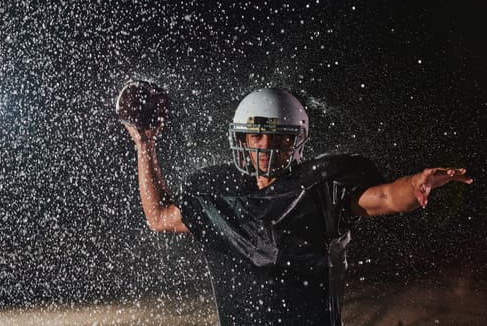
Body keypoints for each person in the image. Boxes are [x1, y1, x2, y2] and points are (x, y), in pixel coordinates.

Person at [122, 84, 472, 326]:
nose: (263, 146)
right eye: (255, 135)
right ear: (240, 138)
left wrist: (415, 184)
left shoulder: (320, 189)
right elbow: (158, 216)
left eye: (276, 137)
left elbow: (385, 197)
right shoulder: (223, 198)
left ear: (297, 140)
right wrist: (144, 144)